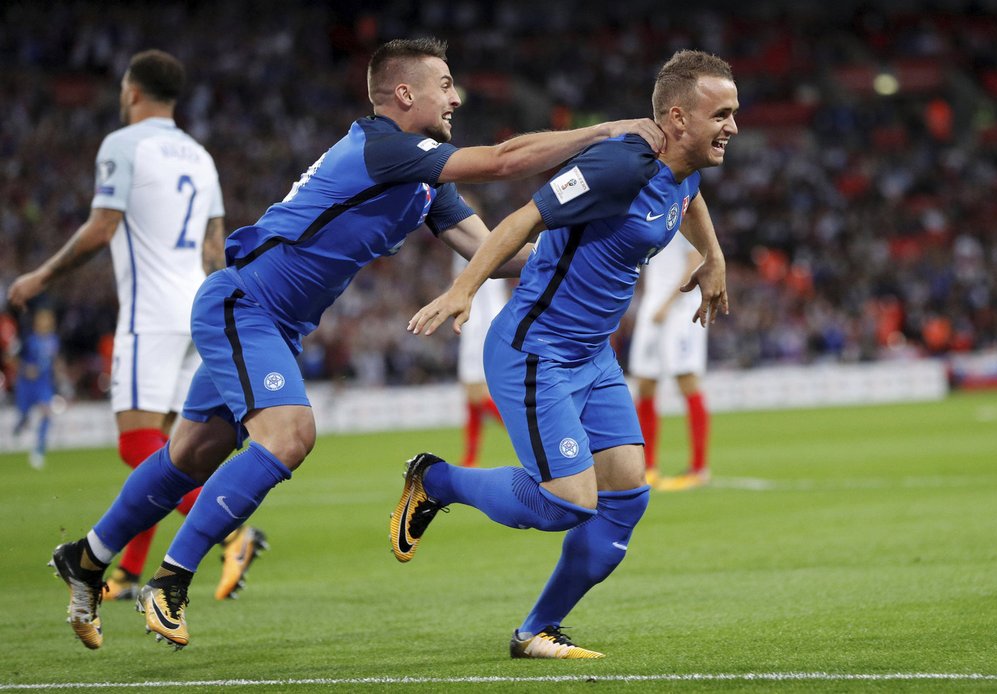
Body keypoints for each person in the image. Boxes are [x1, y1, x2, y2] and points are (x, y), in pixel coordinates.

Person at [32, 37, 664, 652]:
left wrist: (587, 256)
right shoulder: (383, 147)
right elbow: (501, 162)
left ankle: (87, 558)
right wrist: (601, 132)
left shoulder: (424, 183)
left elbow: (494, 252)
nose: (456, 98)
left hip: (273, 324)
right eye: (445, 86)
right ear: (403, 91)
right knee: (290, 435)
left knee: (191, 453)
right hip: (243, 304)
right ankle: (170, 582)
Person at [397, 49, 736, 659]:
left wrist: (713, 257)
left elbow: (690, 196)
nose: (733, 127)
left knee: (627, 496)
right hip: (536, 350)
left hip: (593, 356)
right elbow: (523, 219)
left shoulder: (687, 162)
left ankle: (535, 631)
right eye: (722, 115)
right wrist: (464, 288)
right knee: (567, 504)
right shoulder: (616, 164)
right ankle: (437, 481)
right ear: (678, 118)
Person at [7, 49, 263, 648]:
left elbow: (101, 227)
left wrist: (40, 278)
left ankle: (230, 533)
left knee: (135, 442)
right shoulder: (201, 157)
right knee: (173, 451)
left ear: (131, 91)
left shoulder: (123, 144)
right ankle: (113, 568)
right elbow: (214, 245)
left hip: (150, 315)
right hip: (198, 311)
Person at [628, 233, 711, 491]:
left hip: (680, 307)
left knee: (686, 379)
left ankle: (699, 468)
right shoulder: (648, 211)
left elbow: (695, 258)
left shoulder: (683, 210)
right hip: (653, 305)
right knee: (644, 383)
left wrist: (668, 302)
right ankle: (649, 467)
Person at [453, 250, 508, 467]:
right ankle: (470, 458)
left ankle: (526, 432)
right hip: (478, 325)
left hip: (481, 327)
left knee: (476, 394)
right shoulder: (481, 243)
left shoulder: (473, 248)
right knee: (471, 394)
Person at [12, 307, 61, 470]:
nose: (46, 322)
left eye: (48, 318)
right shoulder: (28, 339)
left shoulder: (54, 340)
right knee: (24, 417)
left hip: (44, 384)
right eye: (43, 318)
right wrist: (25, 369)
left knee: (46, 413)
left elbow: (54, 360)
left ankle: (39, 451)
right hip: (26, 385)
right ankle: (19, 426)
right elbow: (10, 357)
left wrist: (59, 375)